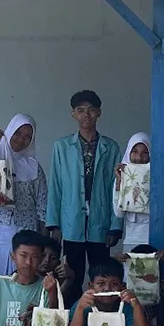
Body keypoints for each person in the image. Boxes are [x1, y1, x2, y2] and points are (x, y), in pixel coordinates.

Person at [47, 90, 122, 297]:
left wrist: (115, 226)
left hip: (100, 220)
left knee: (100, 275)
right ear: (74, 114)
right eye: (80, 110)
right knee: (71, 275)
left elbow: (116, 187)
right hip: (71, 221)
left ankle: (98, 318)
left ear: (99, 113)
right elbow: (56, 185)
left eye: (91, 110)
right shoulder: (62, 147)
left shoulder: (111, 147)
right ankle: (72, 319)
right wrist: (54, 224)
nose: (86, 115)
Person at [0, 115, 46, 273]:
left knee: (20, 279)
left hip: (24, 234)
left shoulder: (33, 167)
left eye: (28, 136)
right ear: (10, 131)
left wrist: (43, 241)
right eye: (18, 133)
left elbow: (42, 205)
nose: (21, 139)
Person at [115, 132, 152, 249]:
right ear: (128, 153)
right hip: (132, 239)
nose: (139, 157)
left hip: (155, 237)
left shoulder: (158, 178)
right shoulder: (122, 178)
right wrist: (119, 182)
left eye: (145, 153)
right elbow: (118, 213)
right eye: (134, 152)